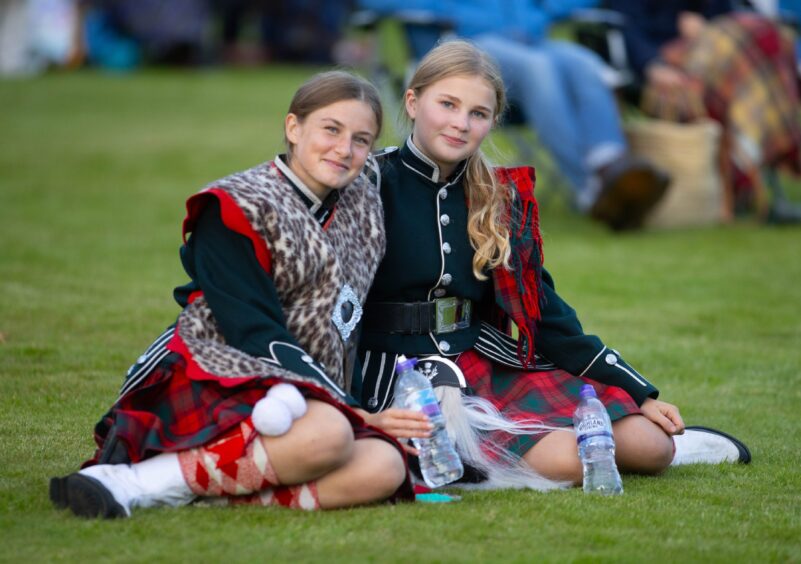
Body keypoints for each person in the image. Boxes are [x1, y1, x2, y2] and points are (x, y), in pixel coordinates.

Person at [356, 39, 751, 488]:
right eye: (447, 104)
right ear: (412, 101)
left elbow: (544, 312)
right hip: (395, 374)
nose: (460, 124)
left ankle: (624, 444)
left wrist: (638, 390)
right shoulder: (368, 183)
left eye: (478, 114)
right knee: (571, 460)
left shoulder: (498, 196)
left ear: (491, 122)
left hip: (481, 359)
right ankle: (490, 455)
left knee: (652, 446)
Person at [49, 70, 418, 519]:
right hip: (222, 369)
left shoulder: (361, 202)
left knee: (383, 466)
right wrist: (354, 413)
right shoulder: (235, 205)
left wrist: (355, 407)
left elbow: (347, 323)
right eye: (331, 129)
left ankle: (190, 490)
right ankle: (128, 480)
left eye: (362, 139)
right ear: (293, 127)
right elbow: (253, 331)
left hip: (312, 392)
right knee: (329, 435)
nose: (345, 150)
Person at [357, 0, 670, 231]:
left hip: (531, 42)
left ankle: (611, 164)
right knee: (540, 71)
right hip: (471, 48)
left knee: (586, 65)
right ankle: (590, 187)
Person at [606, 0, 801, 224]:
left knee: (763, 36)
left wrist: (704, 29)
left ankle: (747, 165)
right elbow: (627, 28)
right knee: (751, 45)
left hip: (722, 64)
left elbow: (730, 16)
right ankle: (758, 161)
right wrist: (653, 64)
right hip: (667, 64)